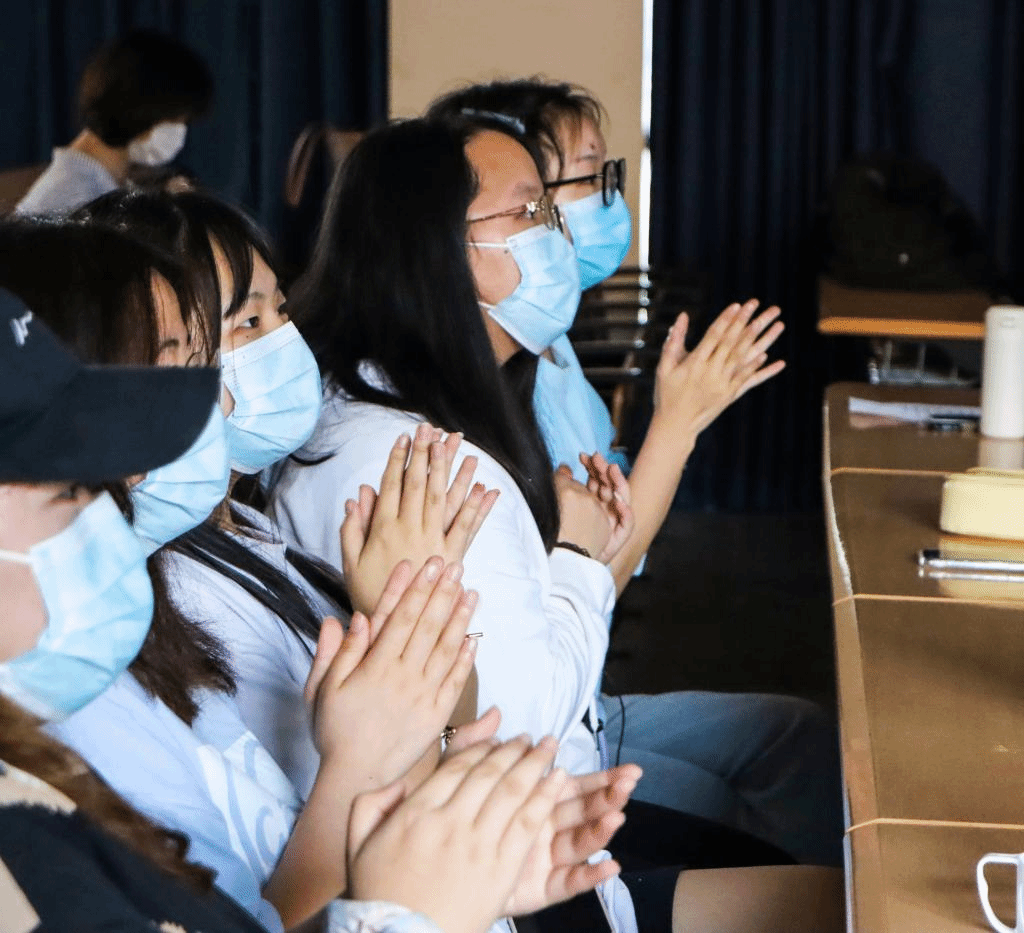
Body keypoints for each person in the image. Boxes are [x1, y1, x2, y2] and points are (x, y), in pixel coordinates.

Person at [270, 117, 845, 932]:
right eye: (530, 211)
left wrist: (583, 539)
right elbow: (521, 719)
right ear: (440, 250)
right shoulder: (433, 462)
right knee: (827, 884)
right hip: (527, 833)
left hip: (522, 794)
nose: (557, 233)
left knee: (795, 754)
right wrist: (576, 548)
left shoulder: (410, 399)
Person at [0, 214, 639, 933]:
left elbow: (431, 741)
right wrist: (381, 795)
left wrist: (413, 650)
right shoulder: (128, 652)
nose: (216, 398)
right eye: (183, 368)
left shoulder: (219, 560)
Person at [426, 82, 844, 869]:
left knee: (801, 735)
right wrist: (678, 423)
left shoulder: (541, 343)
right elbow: (591, 579)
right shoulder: (488, 387)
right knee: (741, 804)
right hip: (542, 737)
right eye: (571, 182)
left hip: (580, 697)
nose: (593, 205)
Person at [16, 29, 212, 216]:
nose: (179, 132)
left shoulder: (102, 183)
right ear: (141, 110)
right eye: (175, 121)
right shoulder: (74, 197)